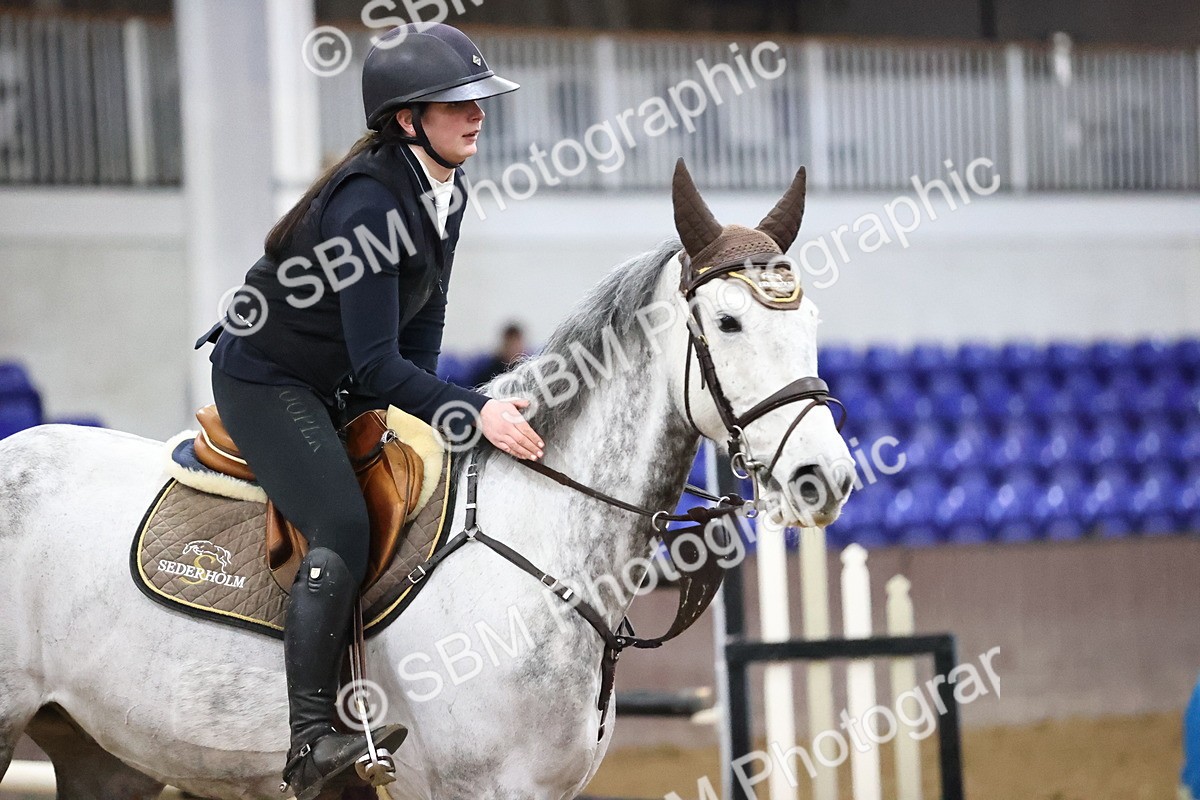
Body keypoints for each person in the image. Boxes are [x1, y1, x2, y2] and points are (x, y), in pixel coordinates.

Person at [193, 23, 543, 800]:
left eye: (478, 101)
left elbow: (421, 328)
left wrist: (445, 409)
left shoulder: (447, 190)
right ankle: (310, 739)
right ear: (408, 119)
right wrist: (474, 410)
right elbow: (377, 364)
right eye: (458, 104)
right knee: (343, 524)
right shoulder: (368, 206)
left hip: (339, 382)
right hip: (267, 378)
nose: (478, 114)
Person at [470, 322, 528, 387]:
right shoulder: (489, 371)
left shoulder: (526, 371)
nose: (513, 348)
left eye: (516, 344)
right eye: (511, 344)